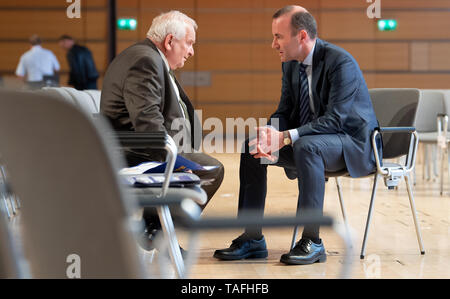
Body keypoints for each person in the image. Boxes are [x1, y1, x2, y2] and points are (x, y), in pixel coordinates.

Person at [214, 5, 381, 265]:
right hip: (312, 141)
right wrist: (271, 133)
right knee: (252, 147)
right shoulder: (291, 66)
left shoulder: (340, 62)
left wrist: (287, 136)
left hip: (351, 143)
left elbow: (337, 119)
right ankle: (252, 237)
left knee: (307, 147)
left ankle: (312, 241)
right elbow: (286, 111)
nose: (273, 44)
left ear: (302, 36)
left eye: (278, 37)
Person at [100, 10, 224, 251]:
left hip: (137, 149)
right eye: (189, 43)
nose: (191, 51)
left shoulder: (147, 57)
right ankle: (155, 233)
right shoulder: (145, 60)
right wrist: (174, 157)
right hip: (136, 154)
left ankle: (153, 230)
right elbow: (147, 121)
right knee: (210, 170)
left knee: (198, 165)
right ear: (169, 41)